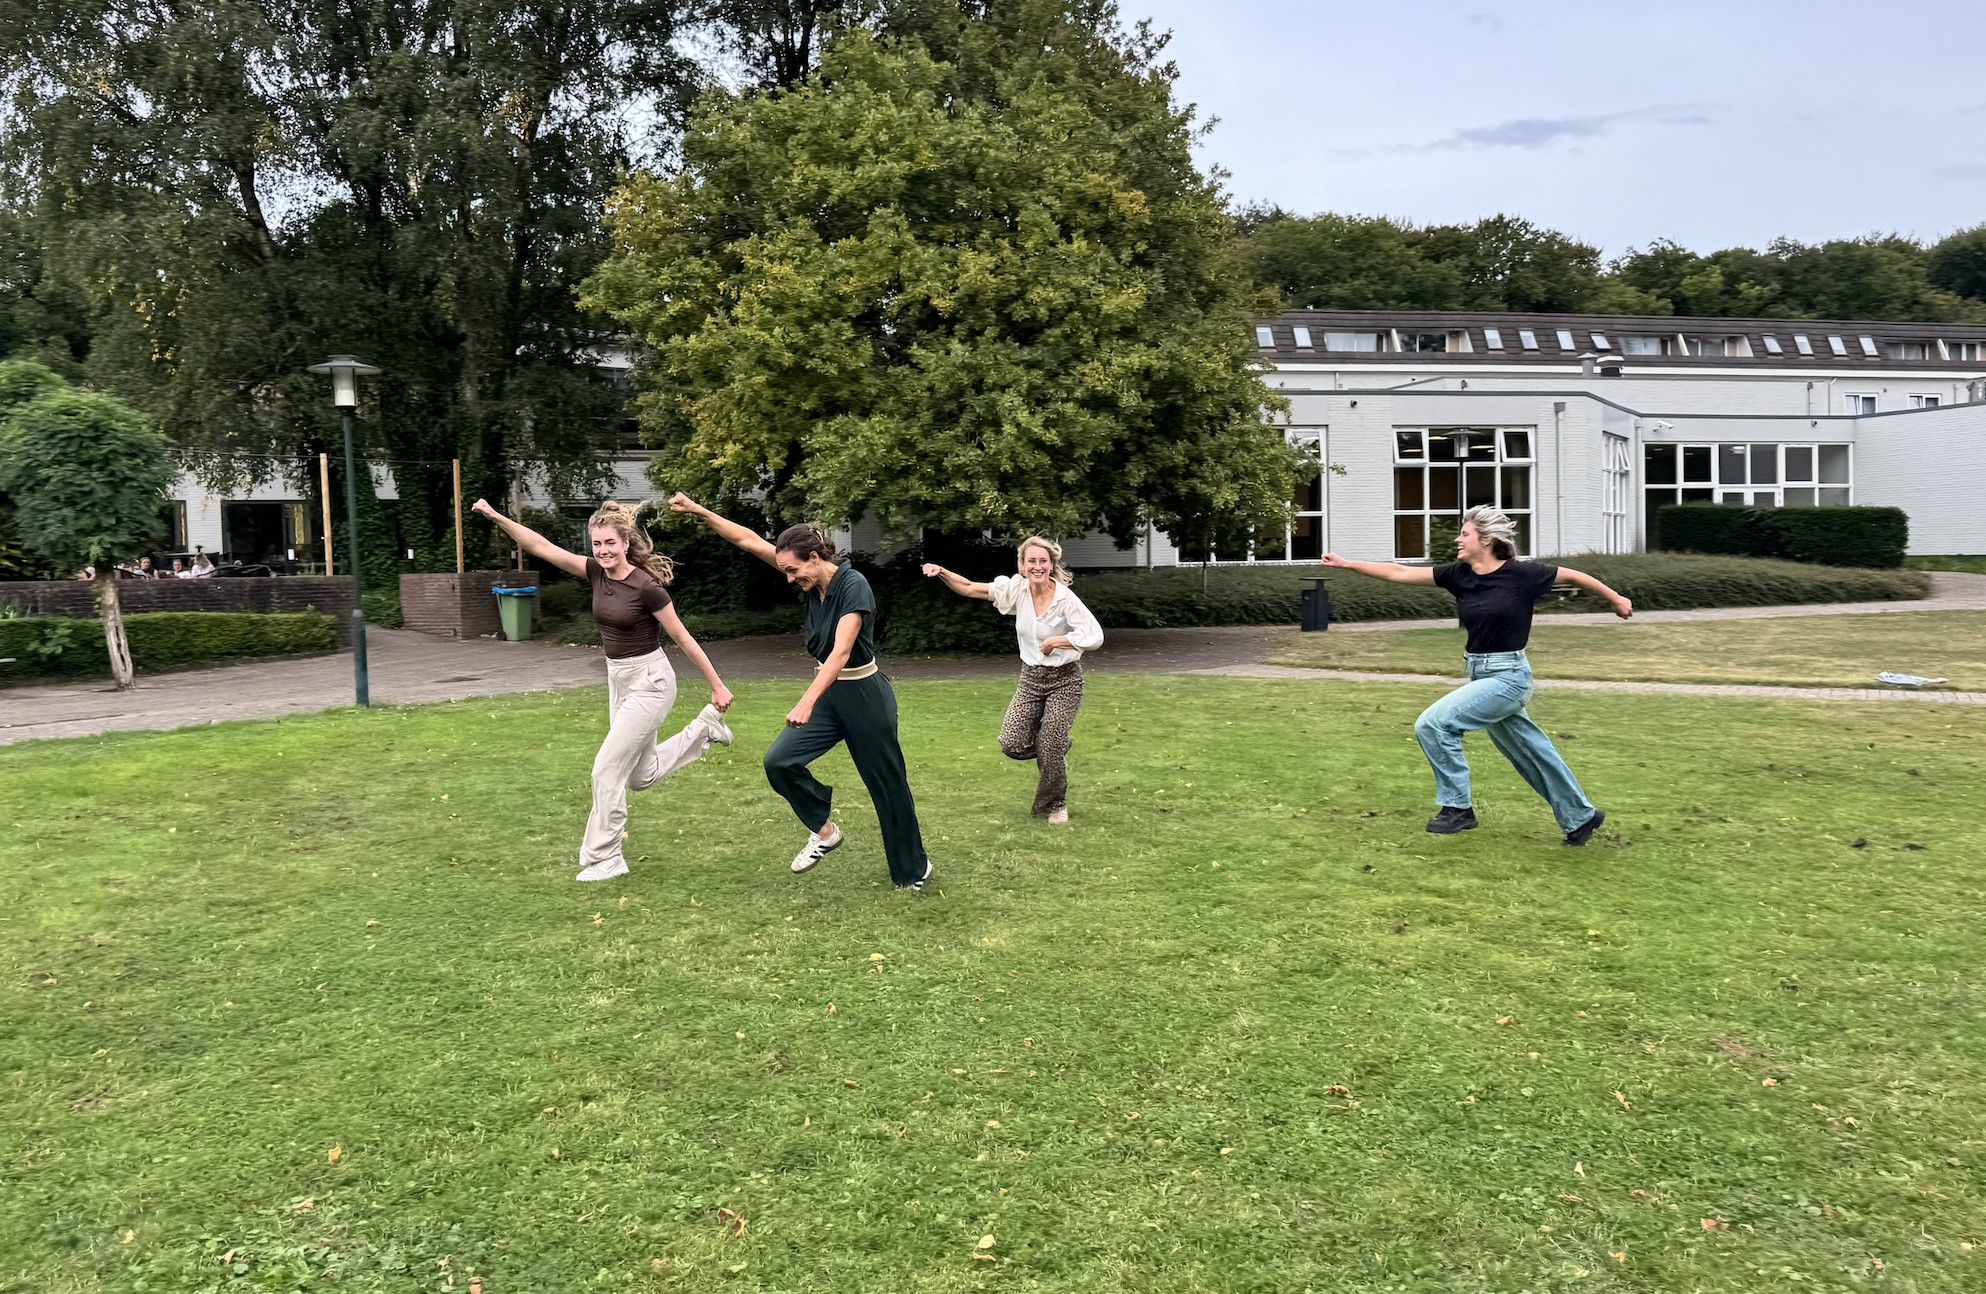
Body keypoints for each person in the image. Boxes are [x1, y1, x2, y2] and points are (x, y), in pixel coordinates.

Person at [667, 492, 934, 891]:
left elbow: (841, 651)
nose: (790, 579)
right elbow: (747, 540)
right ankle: (825, 832)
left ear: (814, 558)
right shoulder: (810, 584)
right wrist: (699, 510)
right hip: (830, 697)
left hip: (864, 695)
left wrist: (807, 700)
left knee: (887, 785)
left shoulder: (854, 585)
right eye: (785, 571)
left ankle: (913, 870)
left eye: (793, 570)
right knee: (779, 762)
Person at [1320, 505, 1632, 845]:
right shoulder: (1460, 576)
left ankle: (1457, 808)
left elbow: (1575, 576)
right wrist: (1347, 564)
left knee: (1433, 724)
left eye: (1464, 533)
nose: (1458, 539)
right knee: (1531, 751)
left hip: (1509, 677)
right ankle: (1581, 817)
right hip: (1480, 674)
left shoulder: (1523, 575)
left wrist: (1616, 599)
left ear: (1486, 540)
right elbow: (1399, 572)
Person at [472, 496, 735, 883]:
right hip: (619, 680)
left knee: (606, 769)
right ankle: (705, 729)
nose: (603, 550)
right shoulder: (595, 573)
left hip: (650, 683)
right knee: (640, 777)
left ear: (625, 543)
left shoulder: (647, 588)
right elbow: (540, 546)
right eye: (597, 543)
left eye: (610, 542)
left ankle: (607, 857)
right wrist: (496, 516)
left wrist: (717, 684)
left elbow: (682, 637)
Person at [922, 537, 1104, 823]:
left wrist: (1058, 641)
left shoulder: (1065, 599)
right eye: (1031, 561)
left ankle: (1055, 804)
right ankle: (1054, 747)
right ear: (1022, 565)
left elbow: (1094, 636)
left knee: (1050, 746)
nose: (1037, 566)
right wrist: (942, 572)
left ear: (1051, 565)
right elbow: (969, 587)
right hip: (1030, 679)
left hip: (1065, 680)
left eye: (1043, 561)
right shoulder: (1016, 590)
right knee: (1011, 743)